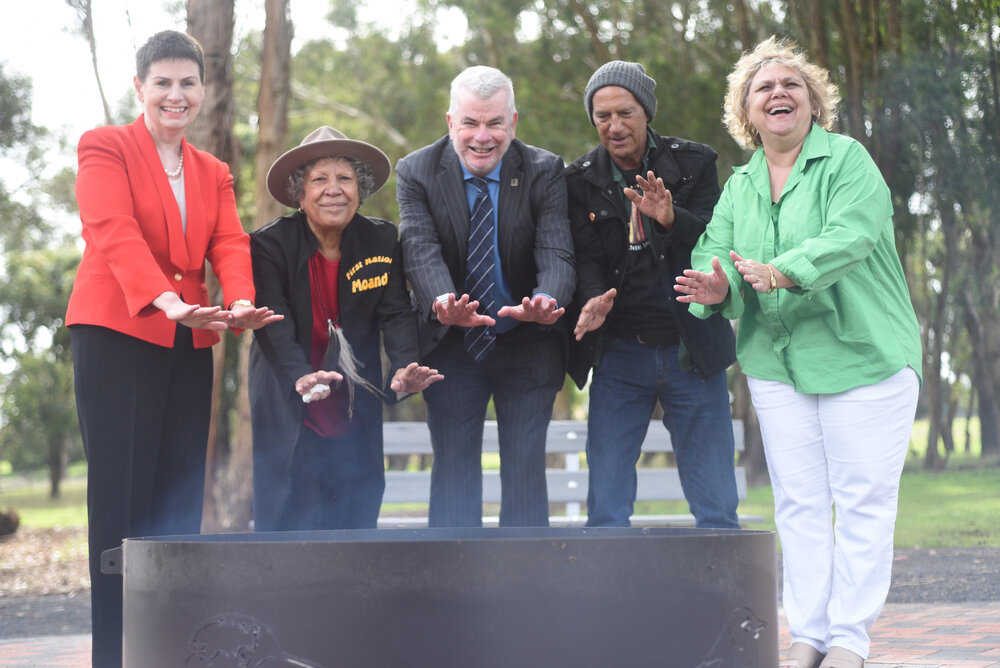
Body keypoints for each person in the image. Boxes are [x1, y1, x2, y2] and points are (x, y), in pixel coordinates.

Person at [675, 37, 922, 668]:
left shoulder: (848, 161)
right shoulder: (741, 185)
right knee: (801, 505)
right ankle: (808, 635)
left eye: (792, 84)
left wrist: (780, 271)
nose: (778, 92)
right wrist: (715, 283)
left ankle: (849, 643)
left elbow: (853, 234)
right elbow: (715, 250)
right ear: (747, 113)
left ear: (813, 102)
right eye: (764, 88)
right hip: (777, 367)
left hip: (862, 360)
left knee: (863, 503)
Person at [67, 30, 281, 667]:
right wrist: (165, 300)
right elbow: (111, 229)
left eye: (187, 82)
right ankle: (114, 655)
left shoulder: (212, 171)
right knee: (121, 502)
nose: (175, 94)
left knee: (179, 500)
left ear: (202, 92)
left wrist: (239, 300)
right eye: (162, 81)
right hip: (115, 332)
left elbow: (230, 243)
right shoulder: (104, 147)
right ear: (140, 88)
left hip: (189, 342)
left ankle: (169, 652)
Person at [396, 66, 575, 527]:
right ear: (450, 123)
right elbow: (419, 248)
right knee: (453, 470)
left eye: (494, 123)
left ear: (513, 123)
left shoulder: (544, 170)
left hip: (527, 339)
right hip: (451, 347)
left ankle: (524, 591)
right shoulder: (416, 171)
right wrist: (441, 301)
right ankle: (454, 591)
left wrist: (547, 301)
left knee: (524, 471)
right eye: (470, 123)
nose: (482, 137)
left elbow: (556, 251)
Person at [565, 60, 740, 529]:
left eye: (625, 113)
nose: (614, 126)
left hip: (692, 349)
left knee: (717, 508)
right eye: (602, 116)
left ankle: (724, 603)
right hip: (620, 355)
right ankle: (607, 601)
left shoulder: (694, 163)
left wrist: (669, 219)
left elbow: (715, 238)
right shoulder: (578, 179)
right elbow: (582, 258)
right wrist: (594, 296)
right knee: (606, 509)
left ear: (646, 112)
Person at [250, 126, 443, 531]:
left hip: (354, 404)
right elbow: (272, 321)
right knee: (291, 516)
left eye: (345, 178)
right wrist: (302, 375)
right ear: (299, 196)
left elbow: (395, 313)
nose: (333, 190)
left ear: (361, 189)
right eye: (319, 179)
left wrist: (405, 366)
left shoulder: (380, 239)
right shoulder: (269, 246)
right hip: (290, 403)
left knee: (356, 515)